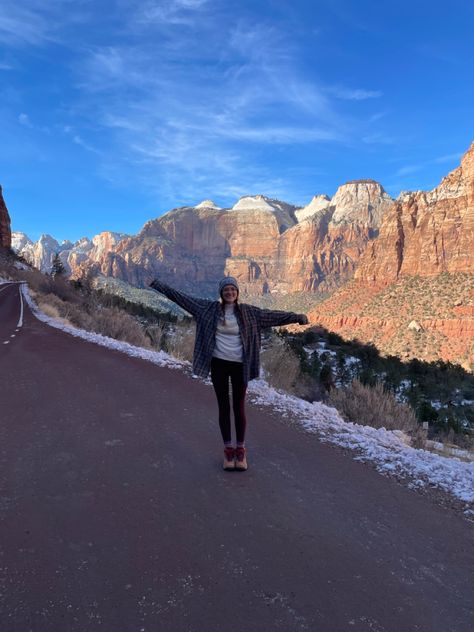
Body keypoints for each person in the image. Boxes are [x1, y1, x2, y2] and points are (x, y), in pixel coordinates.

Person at [149, 276, 308, 472]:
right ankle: (228, 451)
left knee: (239, 407)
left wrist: (296, 317)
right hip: (219, 364)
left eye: (233, 289)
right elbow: (179, 297)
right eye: (226, 290)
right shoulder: (207, 309)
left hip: (240, 365)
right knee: (223, 407)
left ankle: (240, 450)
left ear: (237, 292)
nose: (229, 292)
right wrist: (157, 284)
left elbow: (274, 316)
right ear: (221, 293)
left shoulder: (250, 313)